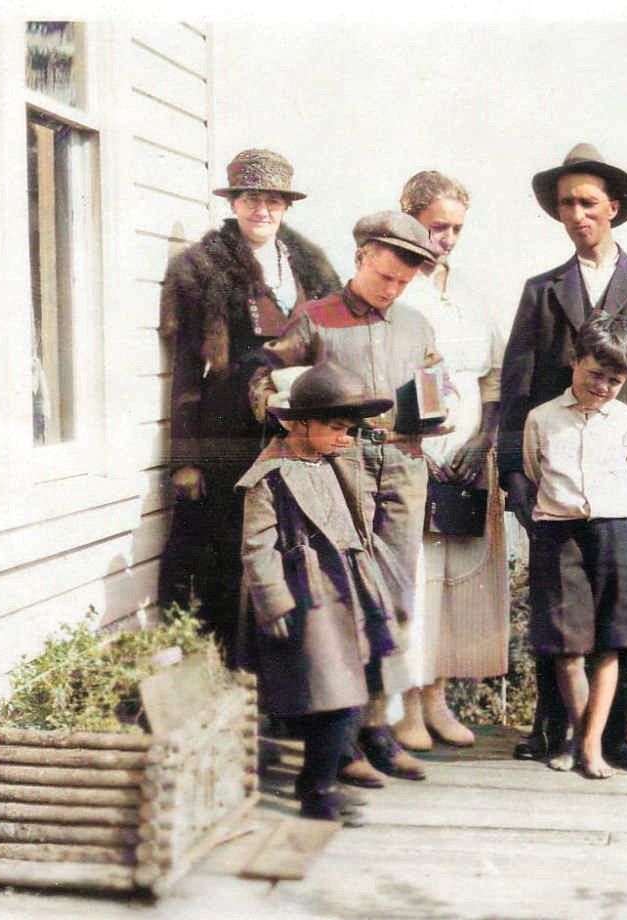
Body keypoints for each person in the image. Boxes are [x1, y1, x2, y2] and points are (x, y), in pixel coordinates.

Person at [498, 143, 627, 767]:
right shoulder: (542, 290)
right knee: (560, 606)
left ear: (613, 207)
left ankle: (615, 735)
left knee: (618, 609)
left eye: (588, 202)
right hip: (555, 476)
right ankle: (551, 729)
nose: (577, 214)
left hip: (624, 477)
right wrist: (511, 475)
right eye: (565, 205)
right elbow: (516, 388)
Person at [254, 211, 444, 785]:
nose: (392, 290)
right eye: (385, 277)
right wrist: (281, 413)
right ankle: (339, 743)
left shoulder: (415, 325)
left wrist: (443, 404)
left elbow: (439, 381)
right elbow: (264, 379)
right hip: (342, 466)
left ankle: (373, 729)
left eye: (403, 283)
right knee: (345, 598)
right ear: (361, 258)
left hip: (405, 464)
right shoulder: (315, 320)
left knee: (395, 600)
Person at [157, 149, 340, 660]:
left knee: (290, 548)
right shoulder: (203, 268)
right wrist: (187, 457)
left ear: (286, 206)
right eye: (252, 199)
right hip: (229, 426)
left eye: (274, 201)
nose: (263, 210)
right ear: (235, 202)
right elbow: (188, 372)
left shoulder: (310, 265)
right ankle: (231, 679)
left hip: (294, 426)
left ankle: (288, 683)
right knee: (227, 551)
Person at [237, 363, 400, 823]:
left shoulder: (329, 464)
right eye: (334, 427)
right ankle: (317, 790)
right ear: (298, 422)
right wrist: (273, 600)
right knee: (330, 695)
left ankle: (323, 780)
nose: (343, 438)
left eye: (348, 429)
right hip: (307, 599)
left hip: (347, 590)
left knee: (350, 692)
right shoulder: (269, 476)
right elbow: (256, 546)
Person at [386, 170, 508, 752]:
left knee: (453, 584)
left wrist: (482, 442)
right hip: (410, 454)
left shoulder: (469, 295)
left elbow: (491, 377)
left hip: (464, 459)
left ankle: (438, 697)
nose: (448, 239)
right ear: (409, 217)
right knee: (412, 582)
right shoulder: (394, 288)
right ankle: (404, 703)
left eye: (457, 228)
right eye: (438, 227)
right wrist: (416, 445)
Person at [522, 314, 627, 779]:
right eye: (595, 373)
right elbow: (535, 472)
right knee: (567, 647)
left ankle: (590, 746)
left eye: (614, 380)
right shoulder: (541, 419)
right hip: (560, 534)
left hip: (616, 532)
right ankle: (582, 741)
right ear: (575, 361)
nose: (602, 386)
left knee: (609, 646)